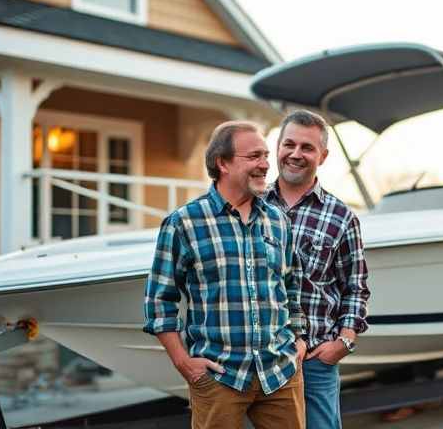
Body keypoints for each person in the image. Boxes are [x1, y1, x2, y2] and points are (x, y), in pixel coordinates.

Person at [143, 121, 308, 429]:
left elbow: (290, 285)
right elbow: (159, 301)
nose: (265, 165)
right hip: (218, 376)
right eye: (254, 156)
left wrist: (298, 340)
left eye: (265, 156)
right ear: (223, 163)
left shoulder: (278, 221)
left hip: (280, 373)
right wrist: (183, 362)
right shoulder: (184, 223)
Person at [264, 109, 370, 429]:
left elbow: (355, 285)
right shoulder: (249, 206)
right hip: (258, 359)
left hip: (314, 361)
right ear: (278, 147)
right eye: (289, 144)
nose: (295, 154)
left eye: (307, 148)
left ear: (322, 156)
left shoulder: (342, 217)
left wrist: (344, 342)